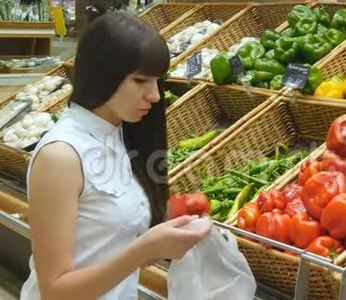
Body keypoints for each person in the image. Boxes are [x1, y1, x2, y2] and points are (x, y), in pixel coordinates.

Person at [20, 12, 211, 299]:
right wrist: (144, 249)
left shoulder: (121, 133)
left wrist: (172, 231)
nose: (155, 95)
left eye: (157, 81)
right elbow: (55, 290)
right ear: (101, 75)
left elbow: (110, 246)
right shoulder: (60, 157)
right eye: (140, 81)